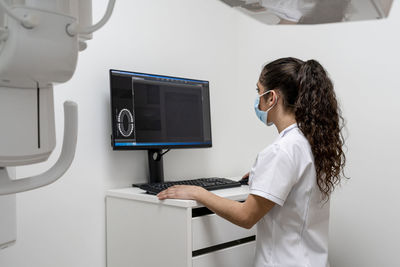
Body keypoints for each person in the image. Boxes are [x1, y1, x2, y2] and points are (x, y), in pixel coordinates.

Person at [157, 57, 346, 267]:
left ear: (272, 98)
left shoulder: (281, 151)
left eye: (259, 91)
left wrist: (198, 192)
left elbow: (246, 216)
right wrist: (263, 177)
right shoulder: (311, 141)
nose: (258, 99)